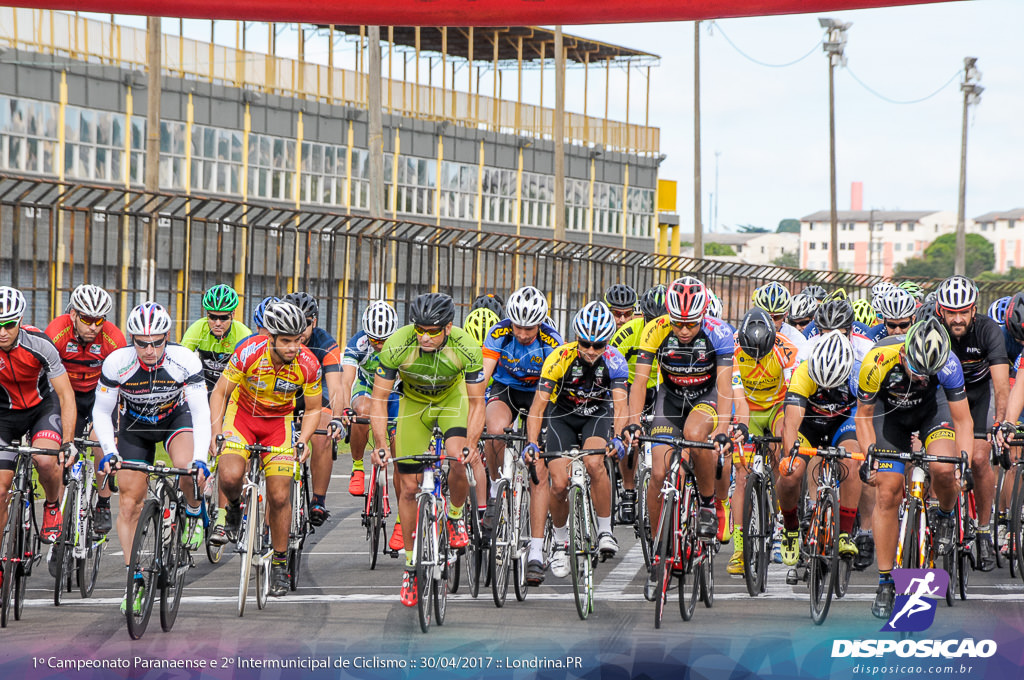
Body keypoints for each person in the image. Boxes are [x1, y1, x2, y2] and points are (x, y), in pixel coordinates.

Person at [368, 293, 485, 607]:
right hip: (413, 407)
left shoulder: (466, 346)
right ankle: (410, 566)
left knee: (459, 458)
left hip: (452, 402)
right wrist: (380, 445)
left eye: (433, 331)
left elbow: (476, 403)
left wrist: (471, 446)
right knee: (408, 488)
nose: (425, 336)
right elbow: (378, 401)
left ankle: (456, 517)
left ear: (448, 327)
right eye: (420, 329)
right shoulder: (397, 345)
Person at [93, 301, 210, 613]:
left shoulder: (184, 359)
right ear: (132, 339)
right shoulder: (117, 362)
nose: (149, 350)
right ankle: (136, 579)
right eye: (142, 343)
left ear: (167, 336)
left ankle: (195, 510)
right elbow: (102, 413)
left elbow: (200, 414)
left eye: (157, 342)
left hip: (175, 420)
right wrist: (110, 453)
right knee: (130, 503)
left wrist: (201, 460)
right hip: (134, 427)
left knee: (186, 469)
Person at [856, 318, 973, 619]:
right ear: (904, 355)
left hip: (931, 412)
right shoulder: (876, 359)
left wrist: (965, 463)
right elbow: (864, 416)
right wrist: (870, 454)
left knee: (946, 470)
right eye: (917, 371)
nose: (922, 378)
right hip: (890, 416)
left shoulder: (948, 364)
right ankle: (884, 582)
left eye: (927, 374)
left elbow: (963, 421)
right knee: (888, 491)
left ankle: (946, 515)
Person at [208, 301, 323, 597]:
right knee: (231, 475)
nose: (293, 348)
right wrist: (216, 432)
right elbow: (221, 391)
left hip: (278, 423)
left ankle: (280, 563)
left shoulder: (309, 364)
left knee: (280, 494)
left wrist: (304, 439)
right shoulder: (249, 352)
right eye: (285, 341)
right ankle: (234, 508)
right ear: (270, 337)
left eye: (298, 340)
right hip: (242, 416)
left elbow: (313, 408)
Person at [628, 276, 734, 596]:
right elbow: (639, 383)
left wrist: (721, 430)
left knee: (695, 436)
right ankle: (660, 557)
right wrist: (633, 423)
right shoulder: (655, 330)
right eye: (678, 324)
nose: (684, 331)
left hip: (707, 399)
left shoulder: (719, 333)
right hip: (670, 399)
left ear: (703, 315)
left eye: (690, 324)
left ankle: (705, 504)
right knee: (659, 472)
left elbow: (727, 390)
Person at [523, 301, 628, 582]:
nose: (592, 351)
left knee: (595, 462)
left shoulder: (616, 360)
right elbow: (537, 408)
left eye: (598, 345)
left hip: (597, 414)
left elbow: (620, 405)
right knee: (558, 483)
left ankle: (605, 530)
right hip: (563, 417)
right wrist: (532, 443)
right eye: (585, 344)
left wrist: (618, 438)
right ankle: (559, 543)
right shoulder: (559, 357)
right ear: (576, 338)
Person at [480, 285, 562, 584]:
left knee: (537, 469)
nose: (523, 333)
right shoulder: (499, 334)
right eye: (517, 326)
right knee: (495, 431)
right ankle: (494, 488)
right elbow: (485, 377)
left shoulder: (552, 340)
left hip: (540, 395)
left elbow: (555, 387)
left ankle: (537, 553)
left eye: (529, 328)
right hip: (507, 390)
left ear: (540, 323)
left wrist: (535, 437)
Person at [934, 275, 1008, 571]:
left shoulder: (988, 330)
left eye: (963, 311)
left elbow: (1001, 385)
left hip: (977, 398)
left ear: (974, 310)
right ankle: (942, 514)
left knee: (978, 459)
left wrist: (1000, 421)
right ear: (941, 310)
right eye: (951, 312)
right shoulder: (934, 331)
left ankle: (984, 530)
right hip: (942, 397)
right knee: (938, 460)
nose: (957, 318)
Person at [0, 286, 78, 548]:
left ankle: (53, 504)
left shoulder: (40, 344)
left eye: (9, 325)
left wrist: (67, 442)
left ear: (20, 321)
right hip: (4, 415)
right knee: (0, 490)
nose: (2, 332)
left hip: (41, 408)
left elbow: (66, 395)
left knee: (45, 460)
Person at [45, 284, 126, 534]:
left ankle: (102, 502)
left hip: (100, 395)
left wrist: (116, 427)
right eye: (87, 319)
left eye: (99, 320)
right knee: (60, 449)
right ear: (73, 315)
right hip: (66, 394)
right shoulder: (56, 332)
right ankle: (57, 510)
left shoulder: (114, 339)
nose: (93, 326)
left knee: (101, 442)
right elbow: (41, 371)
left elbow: (123, 385)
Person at [779, 331, 862, 571]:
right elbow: (792, 423)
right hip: (810, 425)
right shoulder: (803, 372)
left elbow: (867, 419)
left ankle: (845, 533)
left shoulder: (858, 373)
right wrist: (789, 458)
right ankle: (791, 527)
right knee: (790, 474)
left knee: (851, 462)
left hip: (843, 424)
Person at [726, 307, 797, 576]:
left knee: (783, 456)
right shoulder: (733, 349)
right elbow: (738, 398)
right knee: (741, 474)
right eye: (751, 354)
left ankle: (781, 528)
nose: (756, 359)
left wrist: (786, 434)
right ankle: (739, 547)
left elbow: (793, 396)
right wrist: (742, 427)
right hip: (749, 410)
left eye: (761, 353)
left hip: (778, 405)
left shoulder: (785, 349)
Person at [339, 301, 401, 547]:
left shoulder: (403, 343)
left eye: (384, 340)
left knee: (401, 455)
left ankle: (401, 522)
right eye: (375, 339)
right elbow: (346, 381)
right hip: (367, 389)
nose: (379, 345)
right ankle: (356, 467)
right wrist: (345, 407)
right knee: (361, 412)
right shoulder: (358, 343)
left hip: (395, 394)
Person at [282, 292, 345, 527]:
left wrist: (337, 418)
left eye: (305, 323)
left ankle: (318, 499)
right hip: (287, 390)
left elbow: (337, 387)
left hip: (319, 390)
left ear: (314, 322)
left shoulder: (326, 343)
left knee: (322, 432)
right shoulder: (277, 341)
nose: (300, 330)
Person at [180, 284, 251, 393]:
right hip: (204, 383)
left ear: (233, 314)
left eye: (223, 318)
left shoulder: (243, 334)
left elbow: (250, 372)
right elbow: (181, 362)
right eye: (212, 317)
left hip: (232, 386)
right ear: (207, 314)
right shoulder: (197, 328)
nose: (217, 323)